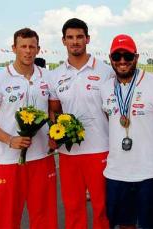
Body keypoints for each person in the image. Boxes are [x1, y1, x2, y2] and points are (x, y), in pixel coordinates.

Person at [0, 28, 58, 229]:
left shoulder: (48, 77)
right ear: (14, 48)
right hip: (9, 160)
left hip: (42, 158)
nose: (28, 51)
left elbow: (53, 112)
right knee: (7, 219)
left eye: (32, 47)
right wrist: (9, 139)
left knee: (45, 218)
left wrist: (55, 134)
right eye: (23, 46)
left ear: (38, 49)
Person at [48, 18, 113, 229]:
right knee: (73, 206)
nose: (75, 41)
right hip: (69, 154)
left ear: (87, 39)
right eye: (70, 37)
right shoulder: (55, 75)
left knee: (102, 206)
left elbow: (114, 112)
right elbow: (55, 111)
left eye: (79, 37)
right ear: (63, 41)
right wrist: (55, 133)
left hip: (100, 149)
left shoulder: (105, 71)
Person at [100, 34, 153, 229]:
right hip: (116, 171)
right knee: (124, 224)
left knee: (151, 225)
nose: (122, 61)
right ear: (110, 59)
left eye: (127, 56)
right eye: (117, 56)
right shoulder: (105, 88)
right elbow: (109, 118)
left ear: (136, 58)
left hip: (149, 172)